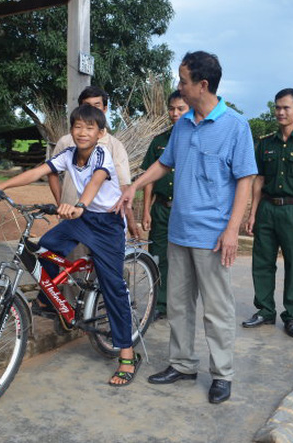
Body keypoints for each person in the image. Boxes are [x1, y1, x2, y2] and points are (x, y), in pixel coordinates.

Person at [114, 51, 257, 404]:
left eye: (183, 80)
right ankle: (182, 363)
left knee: (217, 309)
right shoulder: (182, 124)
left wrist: (231, 231)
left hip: (212, 237)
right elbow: (164, 164)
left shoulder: (236, 126)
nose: (179, 87)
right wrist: (134, 184)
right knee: (178, 304)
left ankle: (222, 374)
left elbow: (245, 180)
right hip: (179, 232)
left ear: (202, 85)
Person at [0, 104, 141, 387]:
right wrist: (3, 188)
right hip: (83, 218)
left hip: (106, 224)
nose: (82, 133)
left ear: (100, 133)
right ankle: (55, 301)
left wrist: (80, 205)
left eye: (89, 128)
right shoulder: (68, 154)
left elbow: (96, 181)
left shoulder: (102, 155)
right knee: (44, 247)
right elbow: (38, 171)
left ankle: (127, 356)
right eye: (77, 126)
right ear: (71, 130)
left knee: (113, 287)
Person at [242, 88, 293, 338]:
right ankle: (265, 310)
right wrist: (252, 213)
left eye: (286, 108)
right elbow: (258, 179)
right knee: (262, 262)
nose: (280, 112)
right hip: (267, 208)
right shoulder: (266, 142)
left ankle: (292, 317)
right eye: (277, 107)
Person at [48, 86, 139, 237]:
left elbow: (123, 186)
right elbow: (51, 172)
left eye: (97, 106)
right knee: (71, 258)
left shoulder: (114, 146)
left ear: (105, 109)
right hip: (71, 214)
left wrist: (130, 220)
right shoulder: (66, 142)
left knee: (99, 258)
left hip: (103, 219)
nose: (92, 111)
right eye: (86, 106)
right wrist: (60, 202)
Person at [140, 91, 189, 319]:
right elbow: (150, 177)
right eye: (172, 109)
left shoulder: (194, 139)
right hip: (161, 208)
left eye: (181, 108)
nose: (175, 113)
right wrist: (146, 210)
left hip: (186, 211)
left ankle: (180, 304)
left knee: (184, 259)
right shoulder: (159, 141)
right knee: (157, 256)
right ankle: (159, 304)